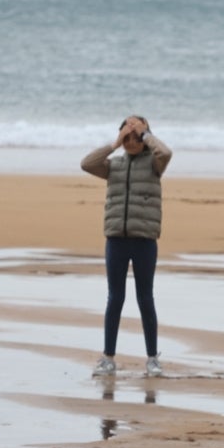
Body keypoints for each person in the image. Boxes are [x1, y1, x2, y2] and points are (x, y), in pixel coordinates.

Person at [81, 115, 172, 378]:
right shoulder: (114, 165)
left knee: (145, 298)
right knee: (115, 298)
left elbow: (165, 152)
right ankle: (108, 357)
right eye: (127, 136)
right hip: (116, 240)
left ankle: (153, 358)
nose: (132, 141)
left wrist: (145, 135)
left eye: (137, 136)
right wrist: (115, 144)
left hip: (144, 240)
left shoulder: (155, 164)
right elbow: (87, 163)